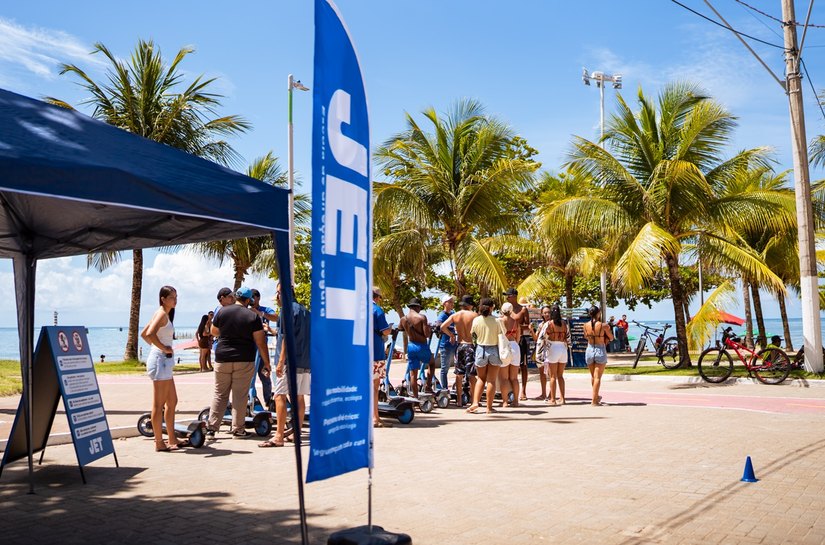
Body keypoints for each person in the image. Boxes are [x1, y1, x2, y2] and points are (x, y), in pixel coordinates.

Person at [207, 286, 270, 438]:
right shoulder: (252, 316)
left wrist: (229, 331)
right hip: (244, 358)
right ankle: (238, 429)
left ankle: (212, 428)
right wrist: (267, 363)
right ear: (249, 300)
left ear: (236, 297)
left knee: (220, 394)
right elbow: (260, 342)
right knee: (240, 395)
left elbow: (213, 331)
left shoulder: (222, 311)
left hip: (222, 358)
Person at [260, 283, 311, 447]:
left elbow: (287, 338)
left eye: (277, 293)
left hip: (290, 361)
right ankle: (296, 432)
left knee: (279, 396)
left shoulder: (286, 310)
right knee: (299, 397)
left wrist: (281, 362)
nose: (276, 296)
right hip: (304, 361)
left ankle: (279, 435)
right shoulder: (305, 311)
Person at [140, 285, 183, 451]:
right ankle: (159, 442)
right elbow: (149, 334)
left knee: (172, 401)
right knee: (159, 405)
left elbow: (144, 334)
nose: (175, 300)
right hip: (160, 361)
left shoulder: (163, 314)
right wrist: (163, 348)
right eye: (172, 297)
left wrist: (160, 347)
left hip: (163, 361)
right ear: (163, 299)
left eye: (176, 297)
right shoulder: (161, 313)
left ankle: (172, 438)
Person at [440, 294, 478, 407]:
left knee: (459, 374)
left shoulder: (455, 315)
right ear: (470, 305)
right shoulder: (474, 315)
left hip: (460, 346)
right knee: (471, 375)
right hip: (470, 346)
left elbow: (442, 326)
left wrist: (451, 335)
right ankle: (473, 400)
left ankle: (459, 401)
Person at [466, 297, 502, 414]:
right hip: (494, 349)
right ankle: (489, 407)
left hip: (481, 349)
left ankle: (475, 402)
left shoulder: (476, 320)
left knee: (481, 378)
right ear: (492, 308)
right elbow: (502, 334)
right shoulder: (497, 320)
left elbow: (473, 334)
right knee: (491, 380)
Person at [504, 288, 538, 400]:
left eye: (508, 296)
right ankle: (509, 391)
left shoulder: (523, 309)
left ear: (514, 296)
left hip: (522, 338)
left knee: (523, 366)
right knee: (507, 365)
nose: (506, 298)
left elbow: (527, 326)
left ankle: (523, 391)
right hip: (508, 339)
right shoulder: (505, 309)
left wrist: (516, 327)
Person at [249, 288, 278, 406]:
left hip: (261, 349)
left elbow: (276, 317)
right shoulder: (246, 310)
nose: (251, 300)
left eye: (253, 298)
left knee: (265, 376)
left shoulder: (265, 310)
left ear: (258, 298)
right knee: (249, 377)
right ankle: (250, 399)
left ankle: (268, 400)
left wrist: (260, 314)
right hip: (249, 348)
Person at [399, 297, 431, 399]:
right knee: (432, 363)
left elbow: (400, 328)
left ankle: (416, 397)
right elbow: (427, 335)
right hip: (421, 345)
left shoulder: (403, 319)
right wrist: (429, 328)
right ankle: (429, 386)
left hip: (411, 346)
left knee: (413, 374)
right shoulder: (422, 318)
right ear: (417, 307)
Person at [371, 288, 393, 427]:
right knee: (375, 385)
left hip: (360, 351)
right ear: (377, 297)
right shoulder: (377, 310)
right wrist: (390, 329)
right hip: (375, 351)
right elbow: (384, 330)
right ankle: (375, 417)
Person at [584, 304, 613, 406]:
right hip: (600, 349)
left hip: (590, 349)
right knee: (597, 378)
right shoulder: (603, 325)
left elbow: (586, 336)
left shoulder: (585, 325)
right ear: (598, 313)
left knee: (593, 376)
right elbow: (611, 337)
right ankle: (594, 401)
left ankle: (596, 397)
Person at [540, 305, 569, 406]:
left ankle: (553, 399)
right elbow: (568, 338)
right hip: (563, 348)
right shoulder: (564, 323)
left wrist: (541, 351)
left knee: (552, 376)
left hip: (553, 348)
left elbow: (542, 337)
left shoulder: (549, 324)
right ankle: (563, 398)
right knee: (560, 375)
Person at [498, 302, 521, 407]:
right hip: (515, 346)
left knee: (504, 378)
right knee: (514, 378)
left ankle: (505, 401)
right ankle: (516, 400)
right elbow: (518, 337)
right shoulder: (515, 322)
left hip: (504, 347)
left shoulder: (500, 321)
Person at [436, 294, 458, 392]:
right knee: (445, 368)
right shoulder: (442, 315)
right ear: (445, 303)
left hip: (454, 344)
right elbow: (439, 325)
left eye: (453, 302)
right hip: (446, 344)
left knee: (458, 366)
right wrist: (451, 334)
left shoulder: (453, 313)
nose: (452, 304)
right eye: (450, 302)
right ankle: (444, 389)